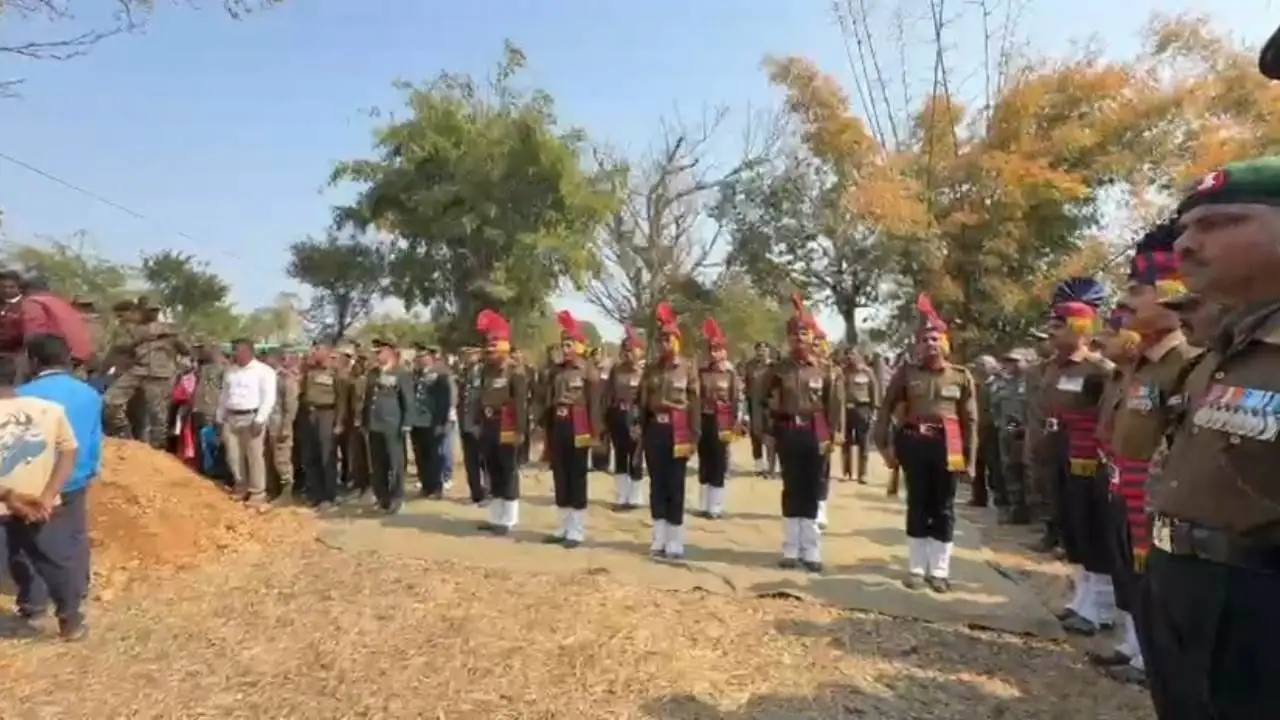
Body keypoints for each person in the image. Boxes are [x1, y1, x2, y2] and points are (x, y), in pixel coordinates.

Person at [1138, 157, 1280, 719]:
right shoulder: (1220, 351)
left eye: (1220, 223)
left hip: (1255, 603)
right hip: (1182, 583)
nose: (1187, 245)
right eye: (1185, 230)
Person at [873, 293, 976, 592]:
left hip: (949, 447)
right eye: (924, 339)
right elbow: (885, 409)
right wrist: (884, 446)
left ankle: (940, 571)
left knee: (944, 507)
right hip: (914, 444)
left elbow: (970, 420)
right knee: (917, 503)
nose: (930, 343)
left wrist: (970, 460)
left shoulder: (961, 376)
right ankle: (917, 569)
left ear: (945, 342)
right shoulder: (906, 374)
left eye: (935, 338)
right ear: (917, 345)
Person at [1029, 277, 1115, 634]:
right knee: (1072, 529)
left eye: (1058, 325)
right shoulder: (1051, 367)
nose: (1050, 332)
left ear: (1080, 329)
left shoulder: (1099, 370)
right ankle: (1081, 600)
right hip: (1058, 452)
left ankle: (1101, 609)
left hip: (1088, 458)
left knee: (1093, 530)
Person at [8, 335, 101, 640]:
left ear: (33, 360)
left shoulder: (22, 395)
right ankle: (76, 597)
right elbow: (92, 439)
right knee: (73, 539)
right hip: (74, 478)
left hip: (33, 482)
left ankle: (34, 604)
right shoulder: (89, 393)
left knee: (29, 546)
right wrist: (89, 470)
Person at [759, 294, 843, 573]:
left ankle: (811, 548)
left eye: (804, 333)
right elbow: (761, 400)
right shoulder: (778, 370)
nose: (799, 338)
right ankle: (791, 548)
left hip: (816, 432)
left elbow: (834, 403)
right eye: (794, 334)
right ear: (788, 338)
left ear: (812, 336)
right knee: (792, 487)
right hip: (787, 432)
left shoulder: (826, 369)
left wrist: (835, 432)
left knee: (813, 488)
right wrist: (767, 430)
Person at [639, 302, 699, 558]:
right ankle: (659, 536)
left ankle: (675, 539)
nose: (665, 344)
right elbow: (642, 403)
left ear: (678, 340)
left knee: (676, 484)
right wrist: (641, 431)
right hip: (655, 431)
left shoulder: (688, 368)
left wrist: (695, 436)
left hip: (679, 431)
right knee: (657, 484)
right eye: (661, 340)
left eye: (669, 339)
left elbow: (694, 403)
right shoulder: (651, 369)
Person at [540, 310, 602, 548]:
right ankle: (562, 526)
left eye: (569, 344)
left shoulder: (588, 371)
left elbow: (595, 405)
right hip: (559, 425)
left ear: (580, 345)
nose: (565, 349)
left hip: (579, 426)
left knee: (577, 476)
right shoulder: (556, 371)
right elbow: (547, 401)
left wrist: (595, 433)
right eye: (563, 344)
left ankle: (576, 530)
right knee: (560, 475)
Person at [103, 298, 186, 449]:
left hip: (160, 374)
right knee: (110, 401)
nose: (152, 313)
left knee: (158, 417)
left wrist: (171, 339)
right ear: (140, 311)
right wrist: (139, 339)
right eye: (149, 310)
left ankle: (157, 449)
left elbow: (186, 350)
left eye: (155, 310)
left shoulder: (169, 329)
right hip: (138, 370)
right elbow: (119, 348)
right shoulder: (132, 329)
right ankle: (124, 433)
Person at [473, 310, 528, 535]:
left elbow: (521, 403)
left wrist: (520, 431)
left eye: (494, 344)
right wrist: (478, 421)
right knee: (492, 469)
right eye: (488, 344)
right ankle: (495, 517)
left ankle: (509, 518)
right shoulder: (486, 370)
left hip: (507, 425)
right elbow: (480, 397)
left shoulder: (515, 371)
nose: (489, 349)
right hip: (489, 424)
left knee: (508, 470)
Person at [215, 338, 277, 506]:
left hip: (251, 417)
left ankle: (257, 493)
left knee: (254, 456)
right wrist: (219, 417)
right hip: (231, 417)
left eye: (238, 350)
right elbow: (224, 396)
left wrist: (260, 419)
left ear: (249, 351)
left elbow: (269, 398)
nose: (234, 353)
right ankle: (241, 487)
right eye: (233, 350)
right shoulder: (230, 372)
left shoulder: (264, 371)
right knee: (234, 456)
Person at [695, 317, 740, 520]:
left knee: (719, 461)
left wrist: (736, 422)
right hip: (703, 419)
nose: (715, 353)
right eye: (712, 350)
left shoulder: (731, 374)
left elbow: (736, 398)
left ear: (725, 351)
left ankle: (716, 505)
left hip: (722, 421)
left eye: (718, 350)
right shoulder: (701, 372)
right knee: (704, 459)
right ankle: (704, 503)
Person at [363, 339, 414, 514]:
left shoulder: (400, 373)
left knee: (395, 463)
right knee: (378, 464)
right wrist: (365, 422)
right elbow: (368, 399)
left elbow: (407, 400)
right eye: (375, 352)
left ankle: (397, 498)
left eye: (379, 352)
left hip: (393, 424)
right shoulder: (373, 373)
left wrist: (407, 423)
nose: (376, 355)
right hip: (374, 424)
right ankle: (382, 498)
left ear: (390, 352)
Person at [603, 325, 645, 511]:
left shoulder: (644, 372)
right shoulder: (616, 370)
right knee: (620, 455)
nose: (627, 353)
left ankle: (635, 496)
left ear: (639, 351)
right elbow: (608, 393)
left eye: (631, 349)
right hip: (618, 415)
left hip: (635, 417)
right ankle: (621, 495)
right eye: (625, 350)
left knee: (635, 456)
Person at [994, 348, 1034, 524]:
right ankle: (1015, 508)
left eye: (1016, 361)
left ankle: (1032, 511)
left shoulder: (1033, 383)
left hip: (1026, 432)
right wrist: (1001, 423)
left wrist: (1026, 427)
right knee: (1009, 469)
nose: (1011, 364)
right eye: (1008, 360)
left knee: (1027, 471)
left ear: (1027, 362)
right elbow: (996, 406)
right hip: (1008, 431)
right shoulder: (1004, 383)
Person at [840, 349, 880, 485]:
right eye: (848, 355)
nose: (850, 358)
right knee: (846, 441)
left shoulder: (867, 372)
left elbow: (874, 390)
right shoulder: (843, 372)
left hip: (863, 409)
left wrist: (875, 411)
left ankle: (862, 474)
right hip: (846, 409)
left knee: (863, 442)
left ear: (859, 356)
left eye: (853, 355)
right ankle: (846, 472)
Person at [455, 346, 488, 505]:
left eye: (471, 354)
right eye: (466, 355)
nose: (468, 357)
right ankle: (475, 493)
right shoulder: (464, 373)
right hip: (465, 423)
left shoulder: (484, 372)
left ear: (479, 354)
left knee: (485, 460)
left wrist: (481, 421)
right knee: (470, 461)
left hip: (480, 424)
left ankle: (489, 492)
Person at [971, 355, 1003, 508]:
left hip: (993, 430)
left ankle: (999, 497)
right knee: (976, 464)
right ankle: (978, 497)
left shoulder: (998, 385)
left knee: (994, 465)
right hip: (976, 428)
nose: (979, 367)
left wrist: (1005, 427)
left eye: (983, 364)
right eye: (978, 364)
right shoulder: (973, 384)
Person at [743, 342, 777, 478]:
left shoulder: (774, 367)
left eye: (764, 350)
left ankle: (771, 468)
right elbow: (746, 386)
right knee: (755, 436)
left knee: (770, 436)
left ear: (769, 351)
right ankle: (759, 466)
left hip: (770, 407)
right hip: (754, 405)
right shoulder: (750, 366)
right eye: (759, 350)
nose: (762, 352)